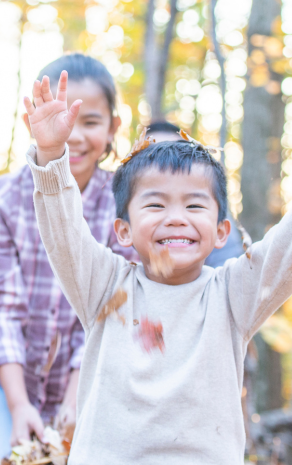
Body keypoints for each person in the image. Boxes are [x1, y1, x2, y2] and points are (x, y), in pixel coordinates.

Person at [23, 71, 292, 464]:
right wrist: (50, 154)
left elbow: (284, 252)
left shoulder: (232, 295)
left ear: (221, 232)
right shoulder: (103, 287)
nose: (176, 217)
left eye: (194, 205)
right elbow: (63, 231)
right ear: (123, 230)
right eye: (155, 205)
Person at [0, 54, 136, 458]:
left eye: (89, 122)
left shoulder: (125, 204)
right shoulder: (7, 199)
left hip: (94, 382)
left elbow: (113, 306)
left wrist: (77, 399)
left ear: (113, 128)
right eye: (61, 119)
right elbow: (4, 308)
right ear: (33, 122)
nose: (73, 136)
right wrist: (19, 404)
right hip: (11, 382)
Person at [147, 121, 244, 267]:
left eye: (175, 152)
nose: (164, 163)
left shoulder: (211, 214)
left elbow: (228, 264)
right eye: (152, 155)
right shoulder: (117, 207)